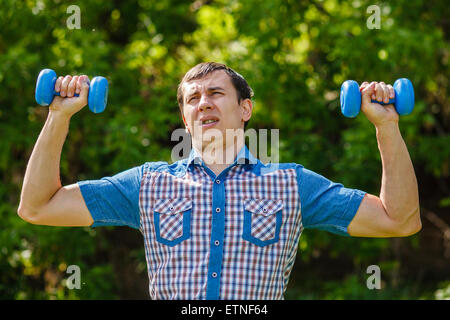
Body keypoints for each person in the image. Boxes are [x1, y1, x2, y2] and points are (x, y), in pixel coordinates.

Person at [18, 62, 421, 299]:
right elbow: (38, 207)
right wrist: (59, 115)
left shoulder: (291, 185)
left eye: (215, 93)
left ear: (245, 108)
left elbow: (399, 219)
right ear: (184, 119)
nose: (203, 103)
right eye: (192, 99)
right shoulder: (147, 184)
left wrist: (386, 125)